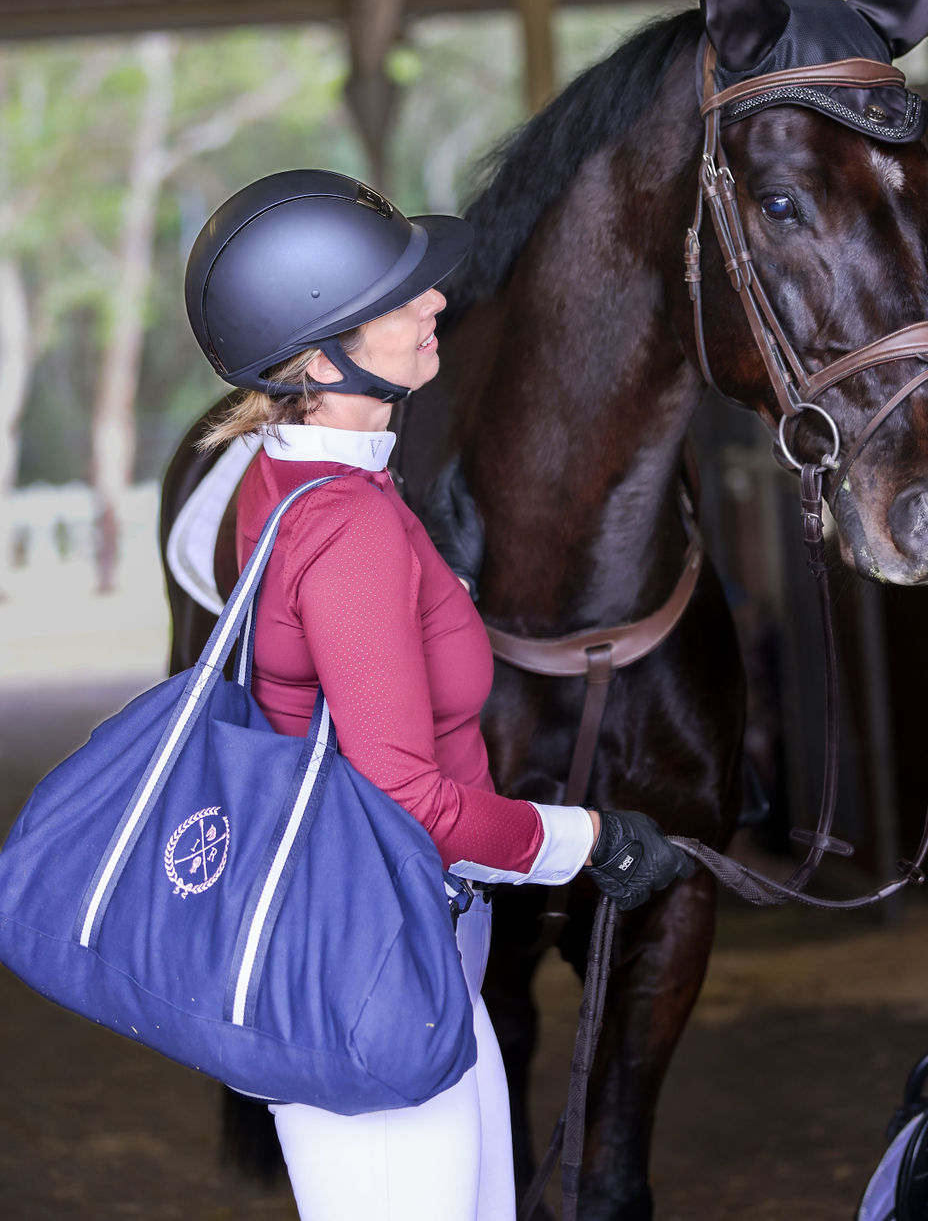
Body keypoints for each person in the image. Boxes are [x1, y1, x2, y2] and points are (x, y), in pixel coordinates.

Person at [184, 169, 690, 1221]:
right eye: (395, 297)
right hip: (371, 974)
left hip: (408, 956)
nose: (432, 302)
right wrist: (583, 839)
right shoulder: (350, 526)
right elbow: (402, 794)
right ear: (320, 356)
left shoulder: (304, 475)